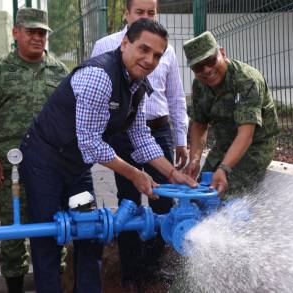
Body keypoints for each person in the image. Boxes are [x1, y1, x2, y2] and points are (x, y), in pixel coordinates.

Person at [19, 19, 196, 293]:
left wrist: (173, 173)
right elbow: (90, 143)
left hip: (77, 166)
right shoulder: (99, 76)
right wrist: (136, 174)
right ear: (125, 43)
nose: (150, 60)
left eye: (157, 55)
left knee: (90, 233)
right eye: (144, 50)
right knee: (47, 238)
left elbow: (140, 137)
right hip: (44, 161)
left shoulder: (137, 84)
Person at [91, 0, 188, 287]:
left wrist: (180, 139)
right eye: (139, 12)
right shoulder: (106, 45)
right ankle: (131, 273)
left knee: (164, 200)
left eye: (151, 12)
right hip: (122, 132)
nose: (145, 17)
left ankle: (153, 266)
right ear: (126, 14)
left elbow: (176, 96)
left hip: (157, 130)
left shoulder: (165, 48)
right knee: (128, 201)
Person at [0, 8, 68, 293]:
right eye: (32, 32)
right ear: (16, 33)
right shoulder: (1, 68)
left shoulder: (58, 70)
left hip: (51, 169)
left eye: (43, 33)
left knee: (53, 230)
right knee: (13, 235)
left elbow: (68, 116)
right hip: (10, 168)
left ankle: (51, 286)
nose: (38, 38)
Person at [183, 31, 279, 198]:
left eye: (211, 61)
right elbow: (199, 124)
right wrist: (194, 159)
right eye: (198, 67)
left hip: (256, 147)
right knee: (198, 190)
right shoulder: (199, 85)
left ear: (222, 52)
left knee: (222, 192)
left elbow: (246, 135)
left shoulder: (246, 80)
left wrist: (224, 169)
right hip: (225, 145)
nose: (207, 70)